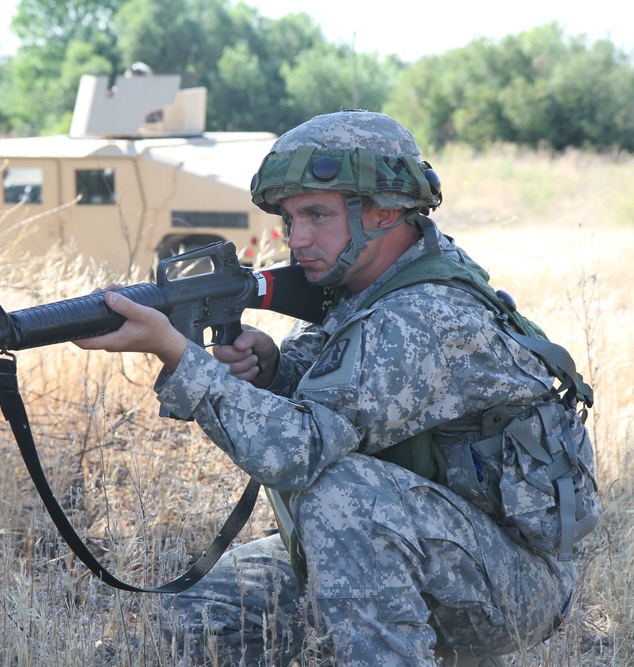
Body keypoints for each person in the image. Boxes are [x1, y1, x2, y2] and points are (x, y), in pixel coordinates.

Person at [74, 111, 590, 666]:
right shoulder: (367, 281)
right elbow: (339, 392)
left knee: (342, 494)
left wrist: (177, 352)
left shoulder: (423, 314)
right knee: (199, 616)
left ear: (385, 211)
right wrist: (273, 370)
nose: (296, 239)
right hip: (427, 541)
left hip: (515, 583)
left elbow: (295, 452)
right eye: (290, 218)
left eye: (317, 215)